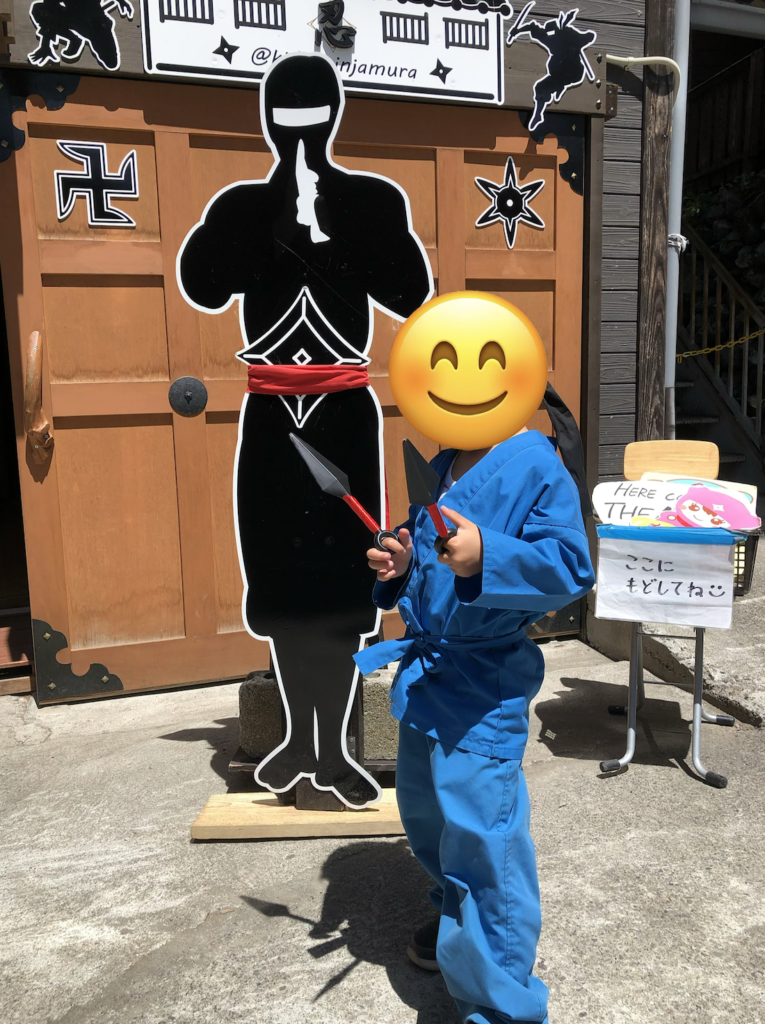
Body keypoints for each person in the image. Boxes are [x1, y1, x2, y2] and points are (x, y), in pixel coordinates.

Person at [355, 429, 595, 1024]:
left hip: (483, 684)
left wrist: (490, 554)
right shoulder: (441, 464)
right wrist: (400, 564)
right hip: (428, 677)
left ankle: (499, 1001)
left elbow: (570, 567)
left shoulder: (536, 464)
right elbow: (426, 562)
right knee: (426, 815)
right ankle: (457, 920)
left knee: (484, 839)